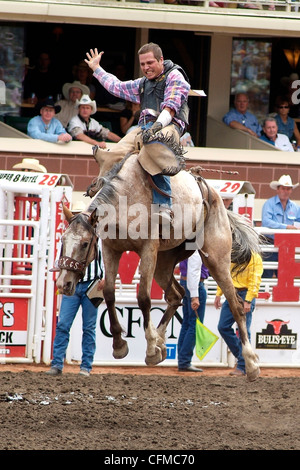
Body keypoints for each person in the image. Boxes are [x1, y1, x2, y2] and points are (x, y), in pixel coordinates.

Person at [85, 43, 190, 224]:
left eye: (150, 63)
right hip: (145, 127)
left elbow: (170, 108)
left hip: (169, 126)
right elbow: (116, 86)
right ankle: (101, 194)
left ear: (161, 60)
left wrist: (156, 127)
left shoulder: (175, 76)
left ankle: (164, 206)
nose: (146, 68)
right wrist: (96, 68)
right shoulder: (143, 84)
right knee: (113, 154)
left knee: (154, 147)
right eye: (142, 64)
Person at [47, 202, 105, 377]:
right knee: (65, 324)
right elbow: (63, 256)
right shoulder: (73, 235)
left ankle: (85, 366)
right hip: (81, 283)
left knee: (87, 327)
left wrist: (106, 277)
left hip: (93, 283)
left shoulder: (99, 233)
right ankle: (59, 364)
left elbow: (108, 257)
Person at [214, 251, 263, 376]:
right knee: (224, 327)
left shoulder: (253, 257)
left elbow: (254, 279)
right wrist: (219, 293)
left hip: (242, 294)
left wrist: (248, 299)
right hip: (232, 293)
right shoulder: (234, 254)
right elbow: (225, 275)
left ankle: (242, 364)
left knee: (243, 330)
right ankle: (245, 359)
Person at [261, 174, 300, 277]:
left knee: (285, 275)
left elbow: (298, 222)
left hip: (287, 246)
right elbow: (266, 222)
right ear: (278, 189)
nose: (285, 191)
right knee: (266, 274)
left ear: (291, 190)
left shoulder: (296, 207)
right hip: (270, 243)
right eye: (283, 188)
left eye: (288, 189)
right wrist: (286, 227)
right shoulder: (269, 204)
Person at [177, 251, 209, 372]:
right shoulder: (197, 247)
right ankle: (184, 361)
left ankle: (182, 360)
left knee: (186, 323)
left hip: (185, 284)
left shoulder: (188, 244)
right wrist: (195, 296)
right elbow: (194, 270)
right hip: (195, 285)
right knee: (194, 325)